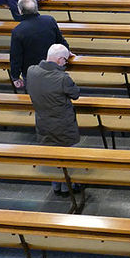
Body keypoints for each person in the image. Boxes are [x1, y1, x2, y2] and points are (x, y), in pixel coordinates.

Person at [26, 44, 80, 196]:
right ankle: (69, 186)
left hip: (43, 120)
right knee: (67, 156)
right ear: (60, 60)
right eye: (65, 61)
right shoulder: (62, 78)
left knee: (52, 154)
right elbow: (75, 94)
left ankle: (56, 185)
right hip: (63, 123)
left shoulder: (31, 71)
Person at [9, 0, 68, 89]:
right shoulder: (49, 20)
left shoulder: (18, 31)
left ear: (20, 10)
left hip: (32, 73)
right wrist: (67, 52)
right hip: (53, 68)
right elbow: (61, 41)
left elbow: (16, 57)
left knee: (36, 98)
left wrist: (15, 76)